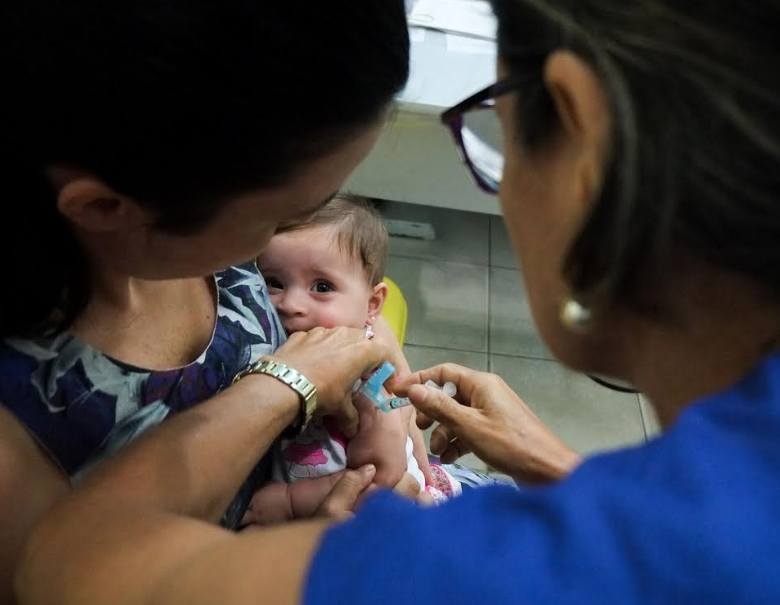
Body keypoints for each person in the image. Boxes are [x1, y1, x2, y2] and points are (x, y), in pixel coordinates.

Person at [14, 0, 780, 603]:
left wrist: (292, 384)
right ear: (110, 208)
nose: (280, 284)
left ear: (584, 139)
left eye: (494, 138)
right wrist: (560, 469)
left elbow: (69, 564)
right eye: (279, 228)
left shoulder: (462, 569)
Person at [0, 2, 429, 604]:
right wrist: (287, 564)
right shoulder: (19, 441)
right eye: (279, 219)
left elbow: (366, 322)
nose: (297, 234)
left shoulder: (185, 212)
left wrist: (392, 400)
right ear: (104, 209)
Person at [245, 195, 462, 524]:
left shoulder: (370, 378)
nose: (290, 303)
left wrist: (291, 501)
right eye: (274, 282)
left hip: (383, 513)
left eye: (321, 286)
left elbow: (381, 478)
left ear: (372, 305)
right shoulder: (279, 342)